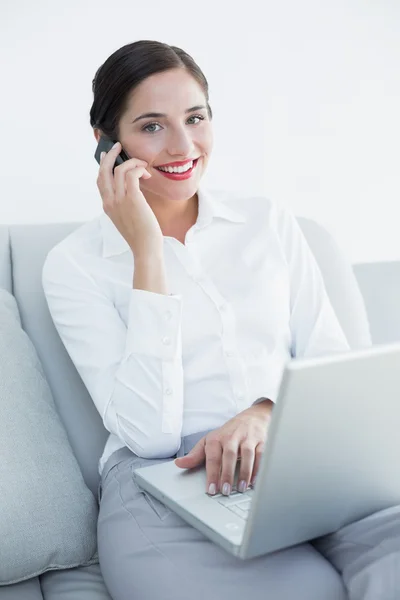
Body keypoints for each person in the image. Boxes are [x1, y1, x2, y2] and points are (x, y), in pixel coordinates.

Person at [42, 40, 400, 600]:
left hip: (301, 454)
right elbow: (150, 435)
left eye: (196, 118)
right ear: (106, 144)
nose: (183, 146)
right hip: (165, 482)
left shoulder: (268, 222)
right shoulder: (74, 264)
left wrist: (264, 411)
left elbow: (331, 361)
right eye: (152, 126)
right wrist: (148, 254)